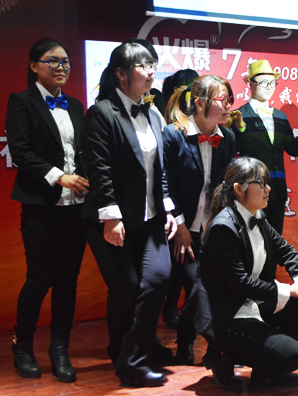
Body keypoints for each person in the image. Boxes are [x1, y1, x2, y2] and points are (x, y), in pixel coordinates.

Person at [82, 42, 177, 387]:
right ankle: (126, 355)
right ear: (121, 74)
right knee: (126, 287)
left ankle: (131, 355)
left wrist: (168, 208)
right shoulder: (102, 113)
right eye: (143, 65)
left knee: (158, 278)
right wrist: (111, 216)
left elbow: (159, 170)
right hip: (113, 219)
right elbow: (99, 169)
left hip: (151, 217)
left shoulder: (153, 113)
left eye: (153, 64)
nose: (151, 71)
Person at [188, 157, 298, 392]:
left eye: (267, 183)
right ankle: (221, 356)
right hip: (229, 314)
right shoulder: (223, 227)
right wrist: (289, 290)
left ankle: (265, 369)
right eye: (261, 183)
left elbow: (287, 251)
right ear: (239, 190)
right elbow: (240, 283)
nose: (268, 188)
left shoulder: (257, 216)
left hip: (253, 303)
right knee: (292, 355)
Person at [6, 38, 88, 383]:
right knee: (39, 279)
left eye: (65, 61)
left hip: (76, 208)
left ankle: (59, 350)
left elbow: (82, 151)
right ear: (34, 66)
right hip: (41, 206)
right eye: (52, 61)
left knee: (67, 281)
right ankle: (23, 346)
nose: (61, 67)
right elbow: (21, 152)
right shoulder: (22, 101)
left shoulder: (76, 105)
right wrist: (59, 177)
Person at [162, 75, 236, 364]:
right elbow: (165, 184)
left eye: (230, 99)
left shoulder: (227, 138)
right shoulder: (173, 134)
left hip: (212, 228)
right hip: (180, 227)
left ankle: (200, 346)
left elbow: (225, 187)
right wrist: (180, 225)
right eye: (222, 99)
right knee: (196, 285)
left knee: (211, 287)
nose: (229, 105)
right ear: (200, 103)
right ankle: (198, 345)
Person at [230, 59, 298, 234]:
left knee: (274, 240)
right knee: (252, 239)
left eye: (272, 83)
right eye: (263, 82)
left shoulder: (280, 116)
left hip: (277, 190)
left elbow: (293, 148)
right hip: (252, 188)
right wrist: (239, 129)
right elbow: (233, 151)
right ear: (250, 84)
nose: (269, 87)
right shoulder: (239, 115)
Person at [161, 67, 201, 330]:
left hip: (200, 211)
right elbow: (166, 179)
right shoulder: (171, 129)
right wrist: (178, 218)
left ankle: (185, 313)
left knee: (191, 267)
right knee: (178, 263)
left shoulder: (218, 131)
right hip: (174, 210)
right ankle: (171, 309)